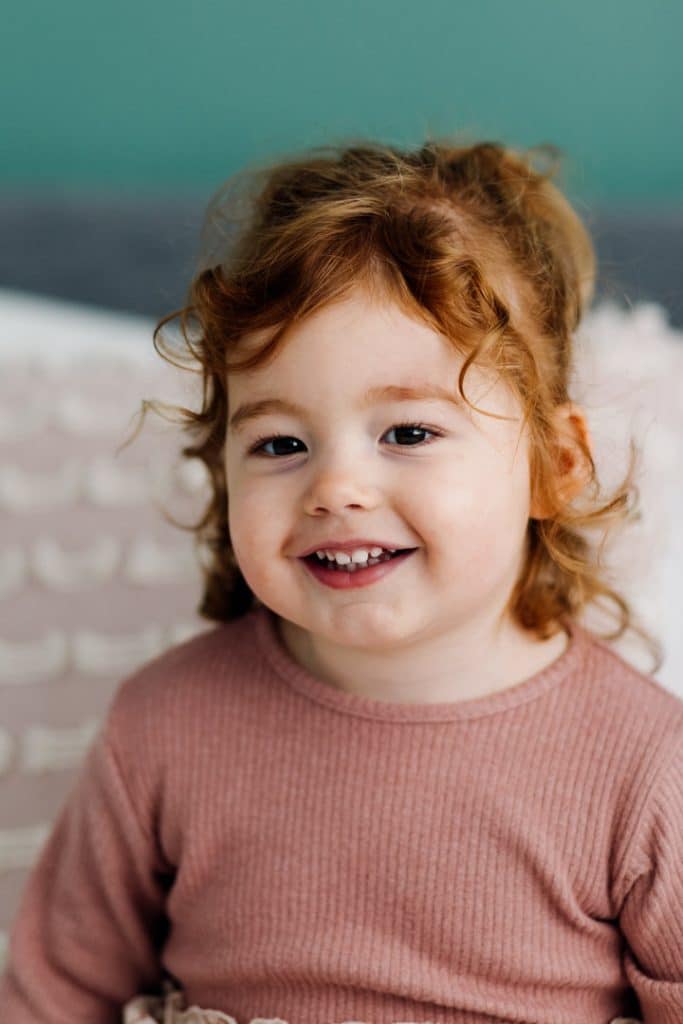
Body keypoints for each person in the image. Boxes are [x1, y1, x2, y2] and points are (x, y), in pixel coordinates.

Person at [0, 137, 678, 1024]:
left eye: (407, 433)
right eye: (280, 445)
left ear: (553, 465)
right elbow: (54, 998)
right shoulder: (165, 725)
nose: (336, 489)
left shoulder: (644, 766)